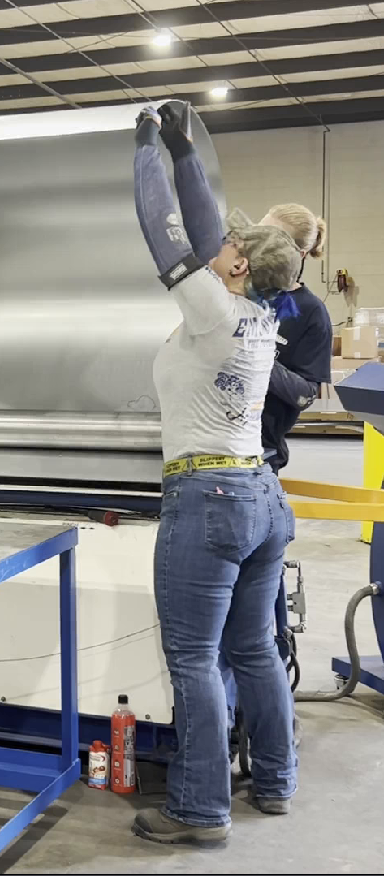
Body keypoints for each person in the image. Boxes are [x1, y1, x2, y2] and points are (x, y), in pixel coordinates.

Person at [131, 101, 301, 844]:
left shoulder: (212, 309)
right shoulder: (259, 315)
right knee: (253, 648)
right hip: (261, 495)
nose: (219, 246)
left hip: (208, 499)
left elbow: (163, 229)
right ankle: (275, 782)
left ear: (236, 267)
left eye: (230, 246)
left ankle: (199, 809)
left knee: (194, 658)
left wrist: (145, 147)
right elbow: (203, 236)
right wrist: (184, 149)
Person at [258, 204, 333, 473]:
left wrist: (257, 357)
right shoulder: (239, 289)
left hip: (259, 449)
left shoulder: (311, 312)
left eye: (272, 239)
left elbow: (305, 395)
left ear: (298, 254)